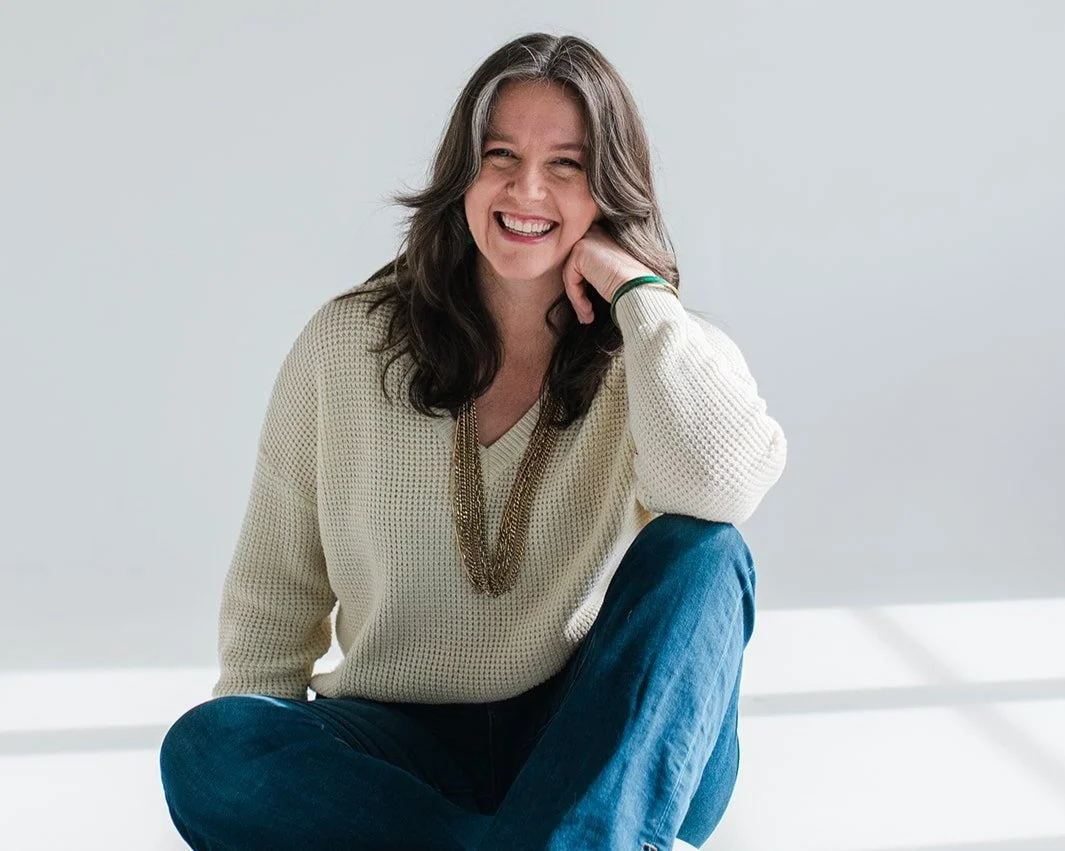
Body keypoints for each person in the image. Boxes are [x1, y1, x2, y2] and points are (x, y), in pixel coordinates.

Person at [159, 31, 786, 851]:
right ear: (463, 172)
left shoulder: (658, 349)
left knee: (703, 552)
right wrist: (262, 751)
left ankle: (568, 828)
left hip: (597, 735)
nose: (527, 188)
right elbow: (275, 586)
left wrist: (634, 285)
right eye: (500, 155)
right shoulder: (347, 343)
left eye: (566, 165)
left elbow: (717, 488)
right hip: (402, 744)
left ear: (608, 188)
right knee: (209, 749)